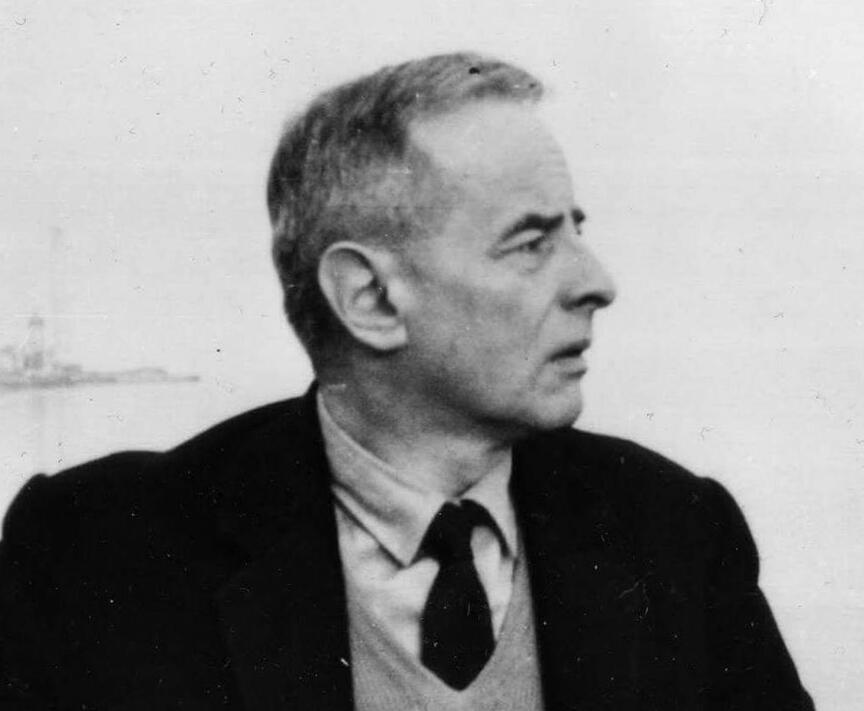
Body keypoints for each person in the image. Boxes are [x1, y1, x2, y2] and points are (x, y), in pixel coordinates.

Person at [0, 53, 814, 710]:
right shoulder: (96, 553)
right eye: (530, 242)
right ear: (371, 298)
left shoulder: (675, 532)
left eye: (576, 231)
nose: (597, 282)